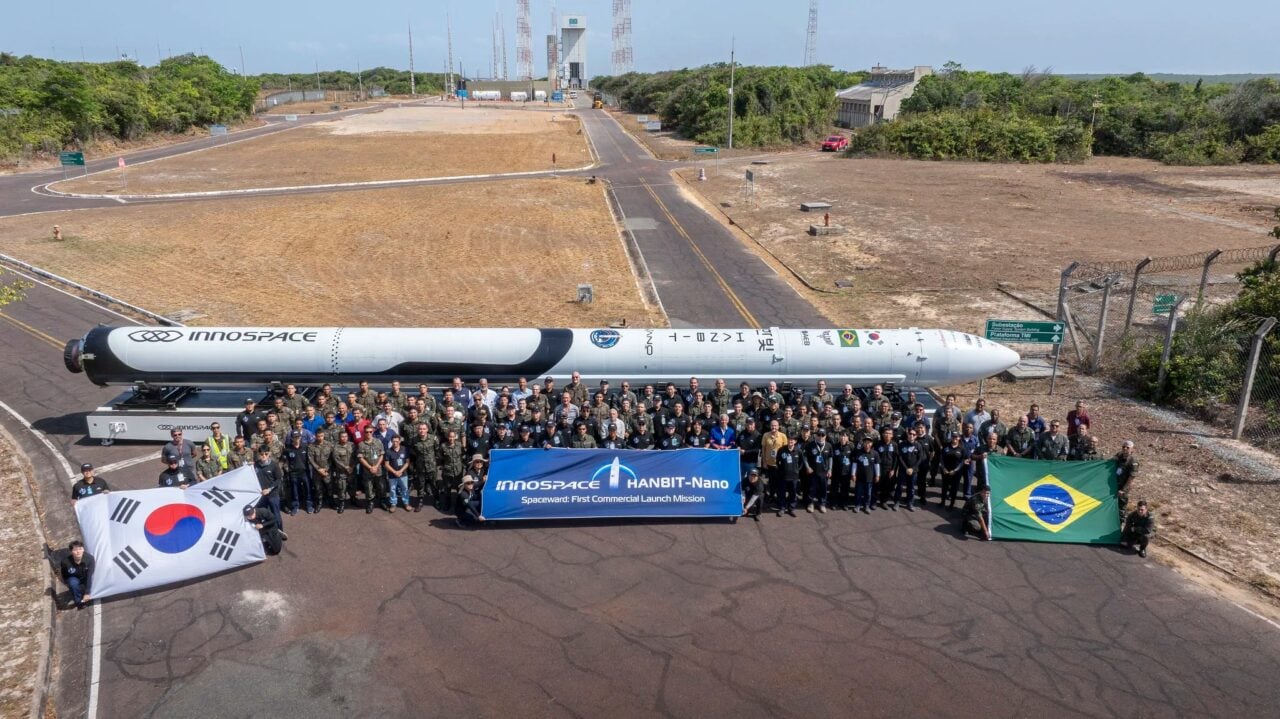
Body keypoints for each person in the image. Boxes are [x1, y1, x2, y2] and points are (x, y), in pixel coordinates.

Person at [253, 446, 286, 533]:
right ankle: (266, 531)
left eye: (266, 454)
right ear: (258, 455)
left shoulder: (274, 465)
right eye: (261, 454)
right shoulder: (255, 465)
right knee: (263, 514)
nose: (264, 456)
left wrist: (269, 489)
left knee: (276, 514)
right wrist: (248, 466)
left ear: (269, 454)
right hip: (261, 495)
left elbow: (278, 479)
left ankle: (280, 531)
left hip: (273, 494)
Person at [803, 428, 832, 513]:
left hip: (824, 472)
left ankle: (822, 504)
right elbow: (805, 457)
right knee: (812, 488)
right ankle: (810, 503)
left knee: (823, 489)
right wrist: (808, 467)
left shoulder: (828, 445)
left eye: (822, 435)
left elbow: (830, 457)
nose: (820, 437)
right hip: (813, 472)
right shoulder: (810, 445)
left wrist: (830, 469)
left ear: (825, 436)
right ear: (816, 435)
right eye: (819, 435)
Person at [282, 433, 312, 514]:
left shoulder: (305, 447)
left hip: (304, 472)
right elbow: (284, 461)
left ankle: (309, 505)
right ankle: (295, 506)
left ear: (300, 437)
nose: (297, 439)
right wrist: (288, 470)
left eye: (298, 437)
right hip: (293, 473)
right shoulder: (288, 449)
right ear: (292, 438)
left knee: (308, 489)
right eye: (295, 437)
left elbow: (310, 459)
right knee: (294, 491)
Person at [60, 540, 95, 608]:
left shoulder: (90, 559)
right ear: (71, 551)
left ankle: (86, 592)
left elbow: (89, 576)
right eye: (75, 550)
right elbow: (64, 574)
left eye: (80, 549)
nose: (78, 552)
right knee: (73, 584)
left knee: (92, 582)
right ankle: (79, 602)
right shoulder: (65, 562)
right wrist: (68, 584)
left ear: (83, 549)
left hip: (85, 576)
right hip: (74, 578)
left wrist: (87, 593)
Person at [307, 431, 334, 513]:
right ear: (315, 436)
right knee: (318, 488)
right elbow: (310, 459)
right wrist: (319, 469)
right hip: (316, 471)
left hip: (327, 471)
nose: (320, 438)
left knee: (329, 487)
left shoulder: (329, 445)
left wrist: (326, 469)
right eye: (318, 436)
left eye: (321, 436)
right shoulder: (311, 446)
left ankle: (331, 502)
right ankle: (319, 503)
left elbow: (332, 458)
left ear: (324, 435)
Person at [852, 436, 880, 513]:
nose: (867, 444)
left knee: (868, 493)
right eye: (865, 442)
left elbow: (877, 465)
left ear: (871, 444)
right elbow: (854, 464)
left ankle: (866, 506)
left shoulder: (875, 453)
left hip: (870, 478)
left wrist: (877, 475)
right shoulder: (858, 452)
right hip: (860, 477)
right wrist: (853, 474)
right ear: (863, 443)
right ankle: (857, 505)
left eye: (869, 442)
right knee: (858, 492)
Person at [775, 435, 802, 516]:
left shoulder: (798, 451)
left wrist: (797, 471)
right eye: (789, 440)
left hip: (794, 477)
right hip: (783, 476)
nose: (790, 441)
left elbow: (801, 463)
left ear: (795, 441)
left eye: (792, 440)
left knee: (793, 493)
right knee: (782, 493)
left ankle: (791, 508)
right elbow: (777, 461)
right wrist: (781, 471)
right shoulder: (781, 450)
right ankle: (782, 508)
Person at [329, 431, 355, 514]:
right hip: (341, 471)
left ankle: (353, 500)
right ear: (339, 438)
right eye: (342, 437)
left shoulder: (352, 445)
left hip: (352, 470)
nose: (344, 438)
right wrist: (346, 467)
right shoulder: (336, 447)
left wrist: (352, 467)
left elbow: (356, 457)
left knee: (352, 486)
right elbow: (336, 460)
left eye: (346, 436)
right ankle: (342, 503)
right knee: (341, 488)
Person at [384, 434, 411, 511]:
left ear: (399, 441)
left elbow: (407, 462)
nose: (395, 443)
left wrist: (400, 471)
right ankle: (393, 504)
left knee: (405, 489)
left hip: (403, 474)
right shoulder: (388, 451)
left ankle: (406, 503)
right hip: (392, 475)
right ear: (391, 441)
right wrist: (395, 472)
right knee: (392, 489)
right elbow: (386, 464)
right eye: (393, 441)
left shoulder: (405, 449)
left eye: (397, 441)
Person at [1114, 440, 1140, 516]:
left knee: (1121, 507)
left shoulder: (1133, 461)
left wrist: (1123, 490)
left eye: (1127, 447)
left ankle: (1120, 522)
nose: (1125, 449)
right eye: (1123, 447)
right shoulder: (1119, 455)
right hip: (1115, 484)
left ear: (1132, 449)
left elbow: (1131, 478)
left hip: (1123, 487)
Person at [939, 434, 965, 508]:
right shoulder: (946, 446)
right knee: (944, 487)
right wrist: (943, 468)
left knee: (954, 488)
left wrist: (955, 470)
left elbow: (963, 461)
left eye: (956, 437)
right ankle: (942, 501)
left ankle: (951, 504)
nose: (955, 438)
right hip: (945, 471)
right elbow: (941, 458)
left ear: (959, 438)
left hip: (956, 472)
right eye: (953, 437)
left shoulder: (962, 448)